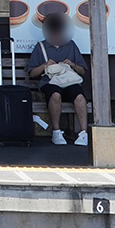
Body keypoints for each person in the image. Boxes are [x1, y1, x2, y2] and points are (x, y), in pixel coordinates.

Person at [27, 13, 89, 146]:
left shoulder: (71, 45)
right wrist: (45, 65)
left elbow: (82, 70)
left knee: (79, 97)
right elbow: (32, 73)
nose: (56, 35)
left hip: (69, 81)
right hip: (49, 82)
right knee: (55, 95)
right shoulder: (41, 47)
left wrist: (72, 64)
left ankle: (83, 132)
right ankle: (56, 131)